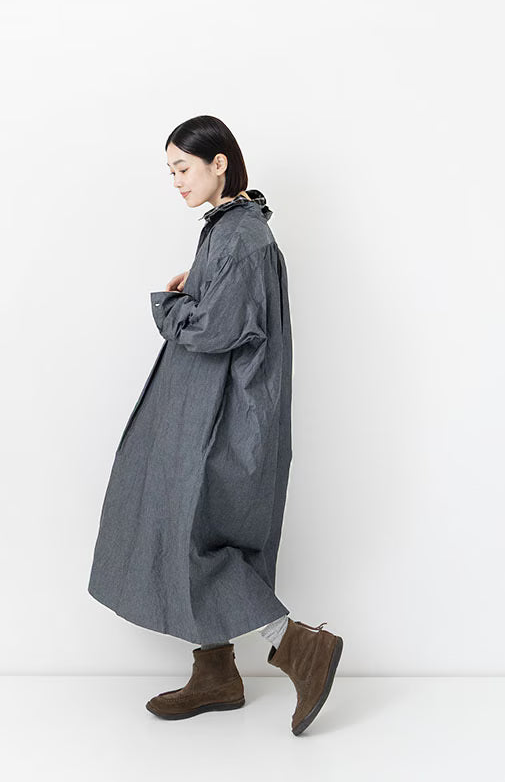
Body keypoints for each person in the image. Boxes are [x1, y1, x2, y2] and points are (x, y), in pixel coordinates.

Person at [87, 114, 343, 735]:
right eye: (170, 170)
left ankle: (299, 646)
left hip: (223, 419)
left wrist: (173, 305)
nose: (176, 180)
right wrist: (199, 283)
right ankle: (216, 673)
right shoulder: (230, 228)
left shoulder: (243, 237)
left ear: (219, 162)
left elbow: (216, 329)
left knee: (196, 538)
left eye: (183, 167)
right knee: (184, 527)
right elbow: (229, 306)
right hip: (203, 411)